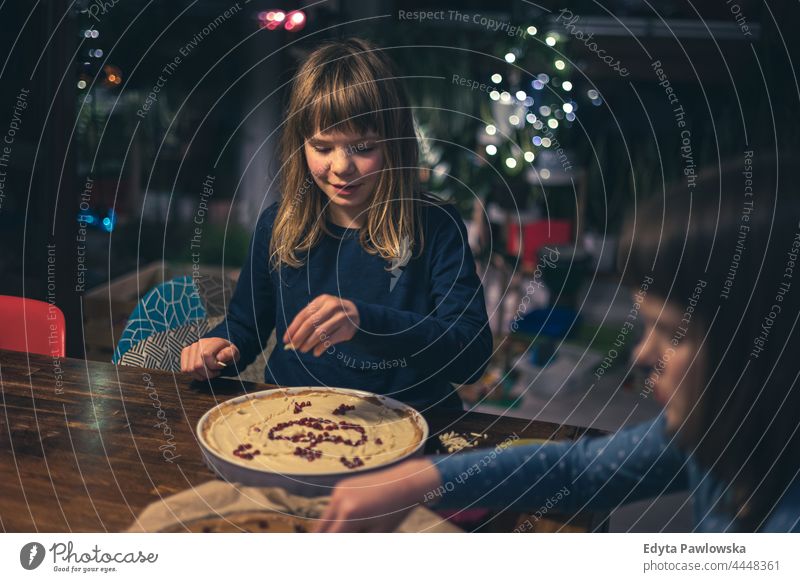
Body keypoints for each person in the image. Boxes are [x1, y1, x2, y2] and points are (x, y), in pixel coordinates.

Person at [316, 157, 800, 532]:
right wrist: (425, 479)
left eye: (672, 333)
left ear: (766, 346)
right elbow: (577, 470)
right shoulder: (718, 428)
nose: (641, 355)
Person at [180, 38, 492, 411]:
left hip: (411, 422)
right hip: (295, 417)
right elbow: (246, 326)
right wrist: (221, 346)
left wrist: (367, 324)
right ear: (301, 146)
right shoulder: (278, 224)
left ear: (395, 143)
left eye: (363, 148)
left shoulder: (436, 225)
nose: (342, 167)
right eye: (323, 147)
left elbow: (471, 355)